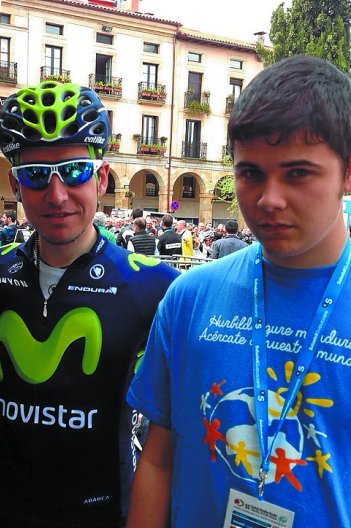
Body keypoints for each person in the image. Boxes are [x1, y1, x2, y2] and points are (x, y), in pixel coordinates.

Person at [126, 55, 351, 528]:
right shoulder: (188, 298)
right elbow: (158, 459)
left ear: (347, 173)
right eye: (250, 173)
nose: (268, 199)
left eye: (297, 173)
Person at [0, 81, 179, 528]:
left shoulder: (154, 284)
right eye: (37, 175)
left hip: (104, 516)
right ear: (17, 185)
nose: (57, 195)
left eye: (75, 171)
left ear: (101, 178)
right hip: (5, 513)